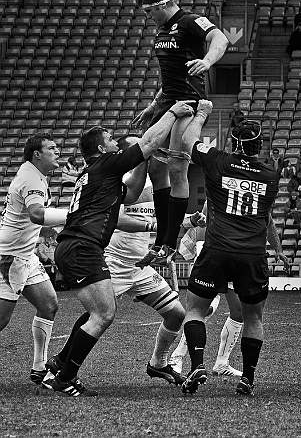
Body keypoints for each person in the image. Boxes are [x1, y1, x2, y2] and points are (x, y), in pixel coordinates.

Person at [42, 103, 192, 396]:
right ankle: (65, 376)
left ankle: (62, 365)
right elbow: (149, 142)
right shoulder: (107, 164)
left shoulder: (100, 174)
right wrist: (172, 112)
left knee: (107, 313)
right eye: (110, 139)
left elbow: (132, 193)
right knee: (103, 314)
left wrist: (143, 160)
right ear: (102, 148)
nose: (114, 142)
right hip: (85, 247)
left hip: (87, 249)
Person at [178, 102, 287, 396]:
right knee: (253, 318)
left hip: (217, 249)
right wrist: (277, 248)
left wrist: (201, 113)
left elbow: (188, 141)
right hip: (252, 255)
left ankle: (197, 365)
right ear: (259, 146)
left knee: (195, 309)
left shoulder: (218, 160)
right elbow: (266, 218)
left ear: (233, 142)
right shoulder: (271, 176)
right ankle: (248, 377)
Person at [133, 0, 229, 267]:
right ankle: (160, 240)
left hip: (189, 101)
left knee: (177, 169)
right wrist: (154, 104)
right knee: (154, 168)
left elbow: (220, 39)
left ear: (162, 5)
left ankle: (168, 244)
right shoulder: (163, 29)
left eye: (149, 11)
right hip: (167, 100)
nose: (148, 17)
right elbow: (171, 74)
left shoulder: (189, 21)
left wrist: (208, 61)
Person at [103, 136, 186, 386]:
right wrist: (152, 226)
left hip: (140, 267)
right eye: (139, 145)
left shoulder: (155, 181)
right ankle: (63, 365)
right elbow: (115, 219)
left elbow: (166, 218)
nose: (147, 147)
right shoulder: (116, 179)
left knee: (176, 314)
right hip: (114, 262)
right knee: (97, 317)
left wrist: (190, 220)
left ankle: (158, 364)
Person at [0, 134, 68, 384]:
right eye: (52, 148)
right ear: (37, 154)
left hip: (24, 254)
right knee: (1, 320)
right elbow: (37, 214)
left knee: (48, 305)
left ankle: (39, 367)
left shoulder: (33, 174)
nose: (57, 151)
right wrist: (73, 215)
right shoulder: (31, 178)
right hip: (10, 256)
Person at [169, 207, 247, 377]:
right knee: (205, 308)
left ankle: (222, 363)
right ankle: (177, 357)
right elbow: (204, 217)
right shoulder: (217, 192)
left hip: (238, 250)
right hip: (214, 249)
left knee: (239, 311)